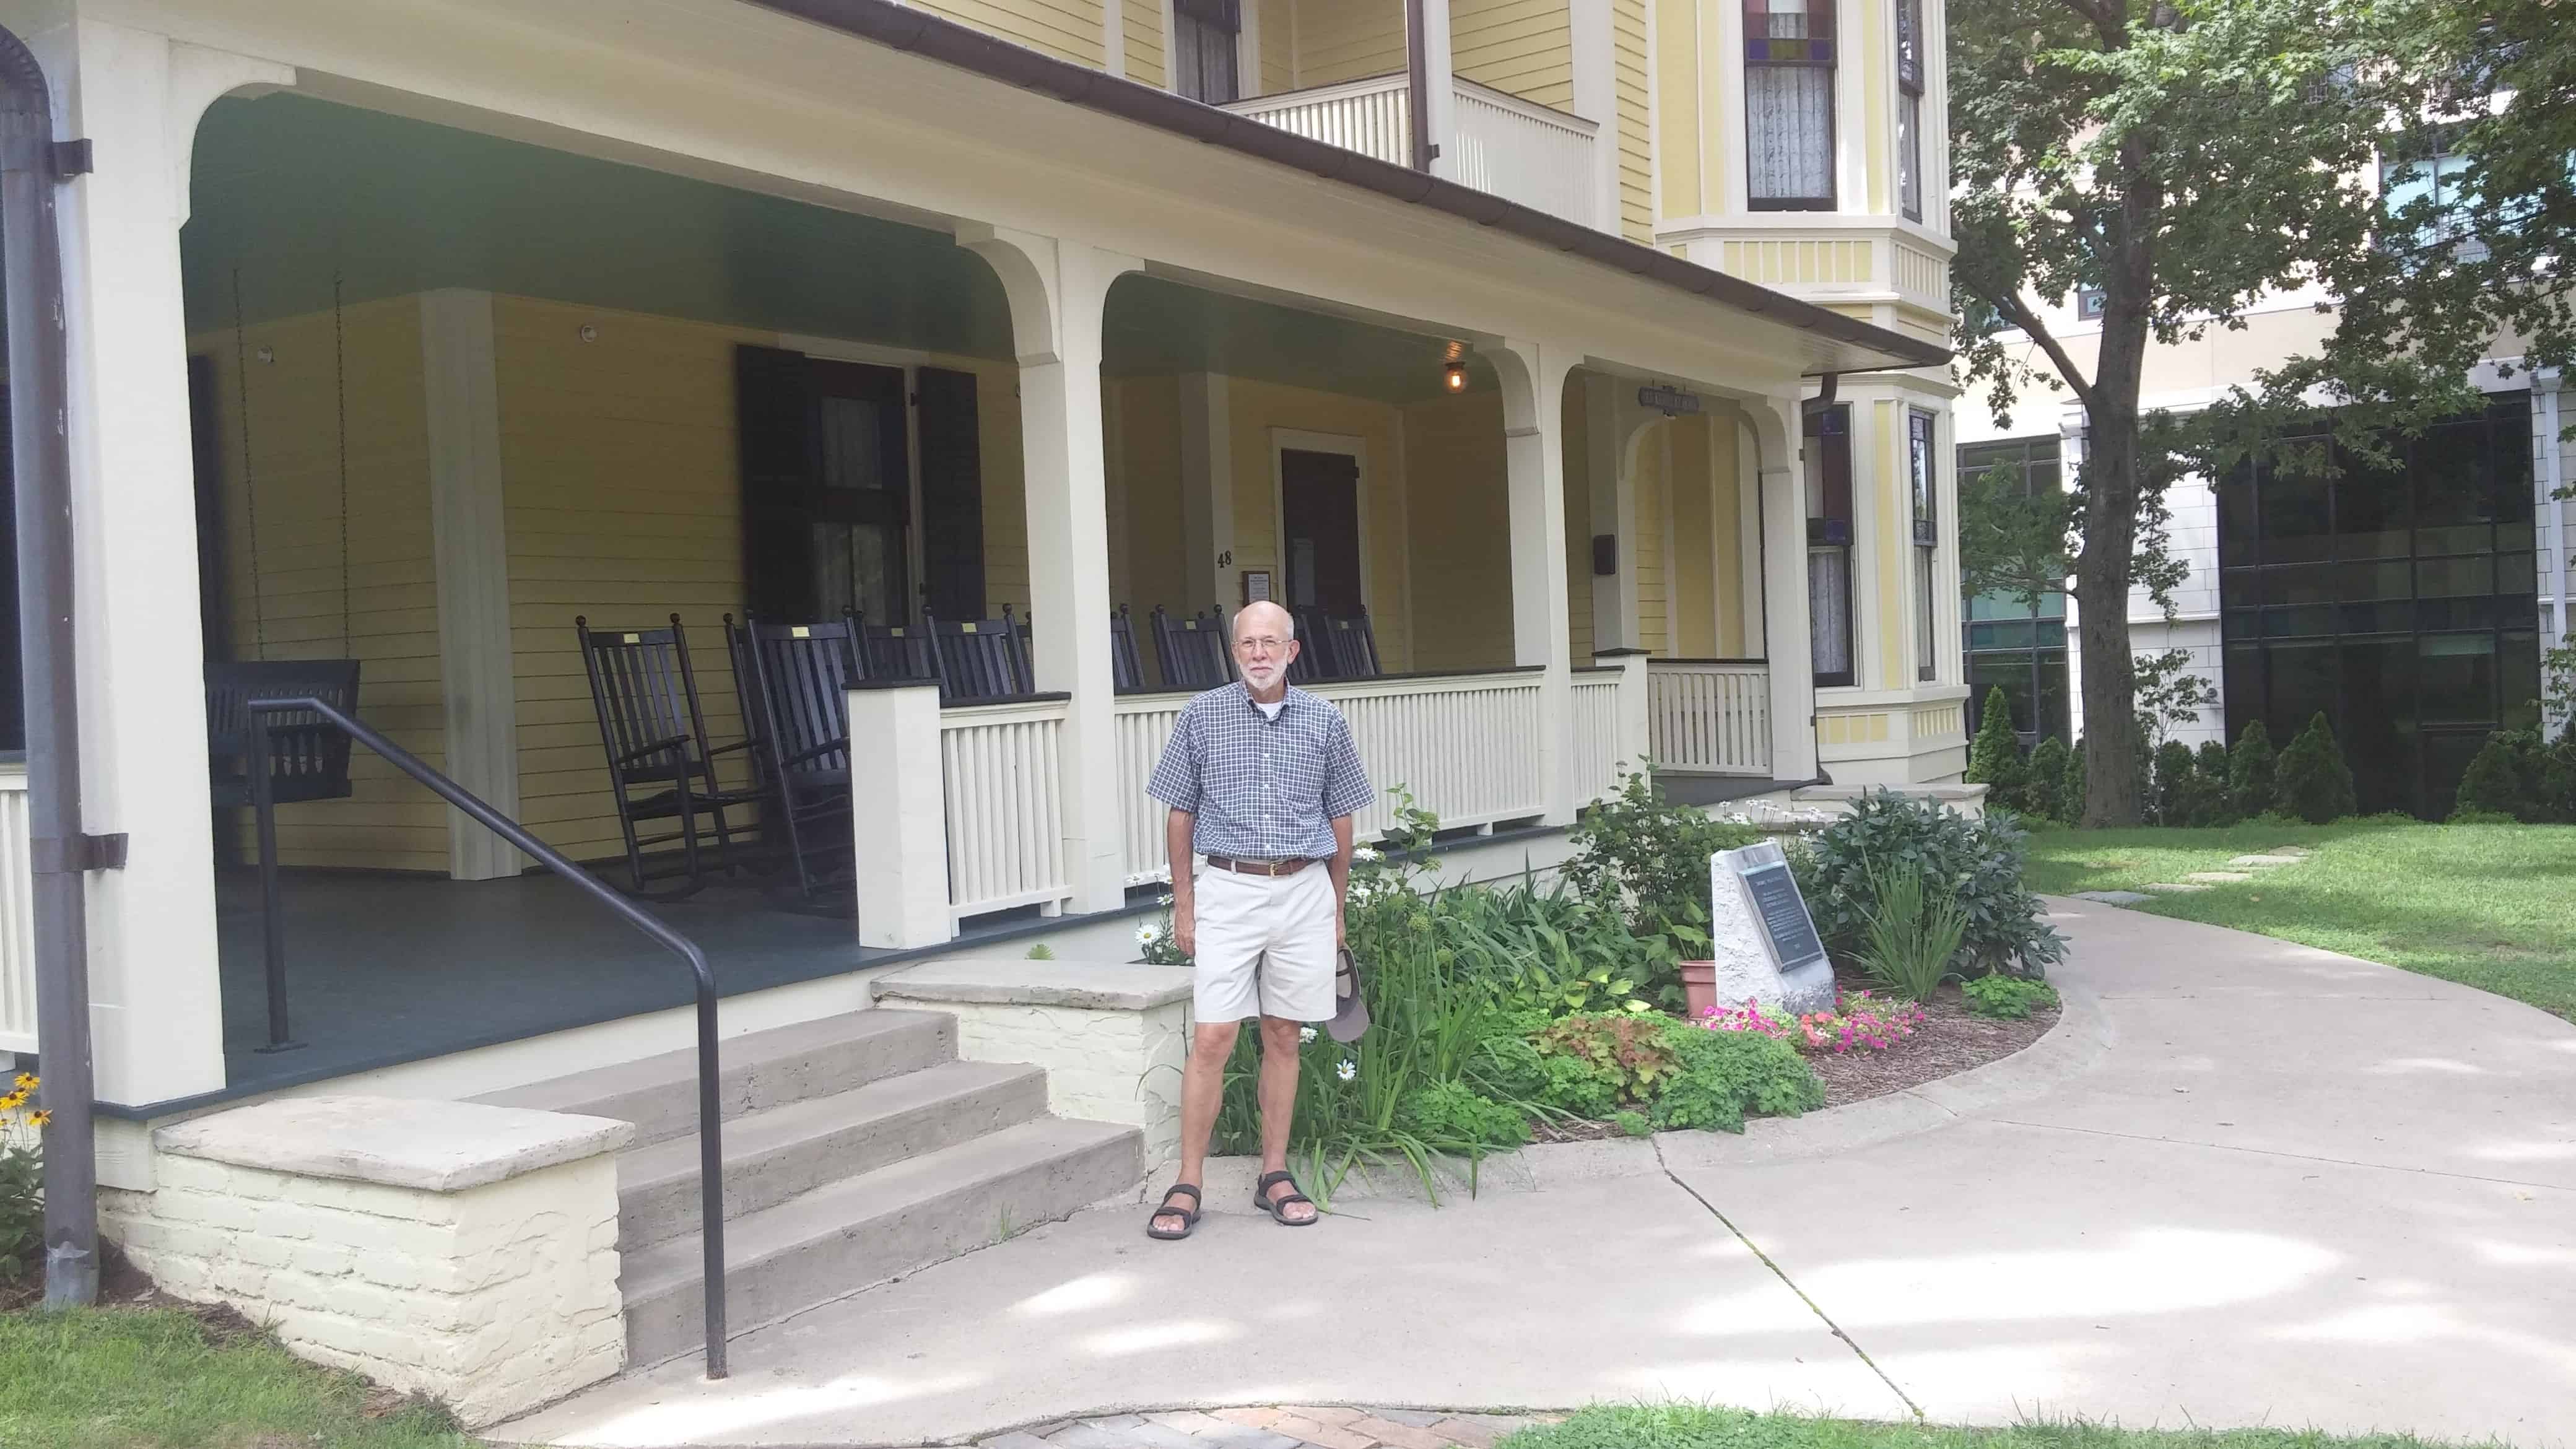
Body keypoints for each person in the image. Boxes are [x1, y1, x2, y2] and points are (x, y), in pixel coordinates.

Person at [1141, 600, 1370, 1239]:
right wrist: (1183, 904)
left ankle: (1274, 1174)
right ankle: (1187, 1182)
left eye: (1271, 643)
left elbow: (1342, 817)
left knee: (1283, 1033)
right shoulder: (1202, 715)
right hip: (1228, 889)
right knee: (1213, 1036)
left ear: (1292, 651)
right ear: (1234, 652)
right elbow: (1179, 814)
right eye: (1248, 644)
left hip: (1303, 889)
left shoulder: (1324, 721)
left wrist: (1335, 909)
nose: (1260, 654)